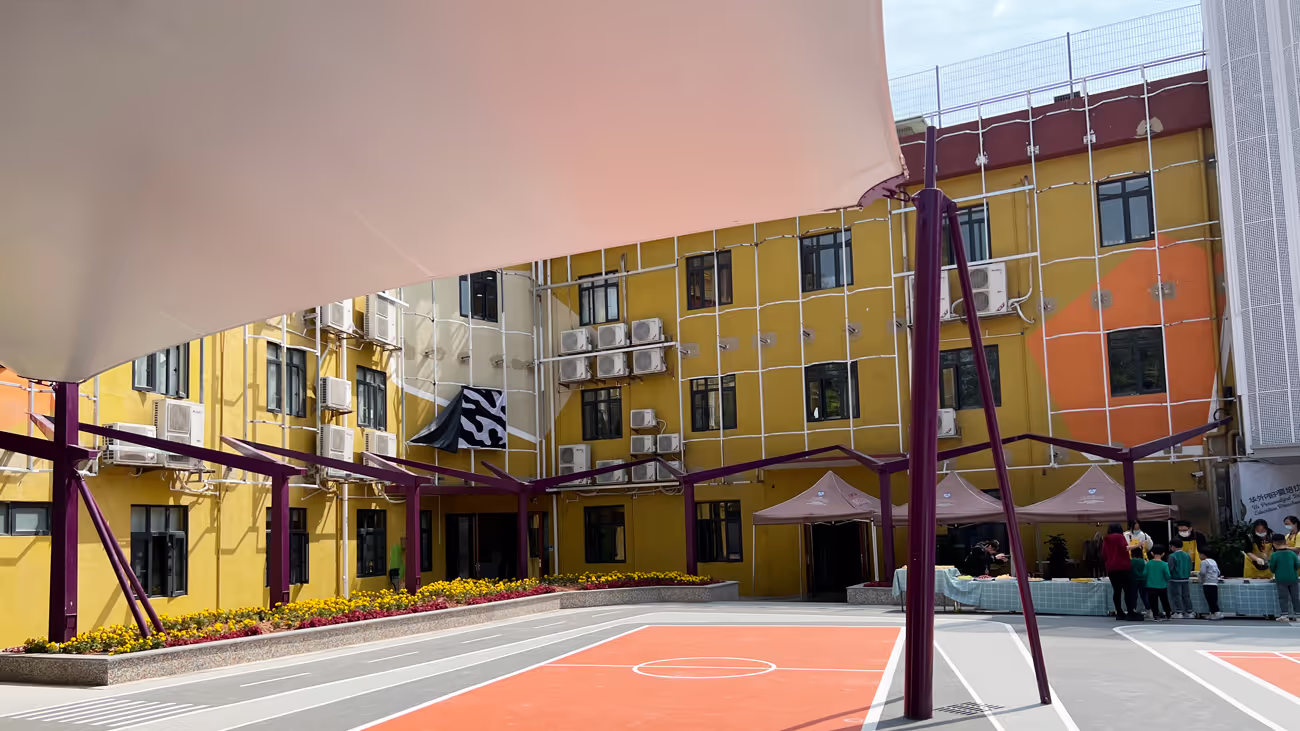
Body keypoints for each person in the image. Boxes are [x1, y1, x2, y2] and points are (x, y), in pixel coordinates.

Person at [1102, 523, 1141, 620]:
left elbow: (1103, 553)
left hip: (1111, 567)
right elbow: (1125, 548)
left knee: (1117, 591)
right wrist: (1137, 545)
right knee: (1128, 590)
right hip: (1123, 566)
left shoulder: (1106, 538)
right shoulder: (1120, 537)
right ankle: (1130, 612)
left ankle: (1119, 612)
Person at [1269, 535, 1300, 622]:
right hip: (1293, 578)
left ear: (1274, 544)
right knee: (1296, 597)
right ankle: (1298, 615)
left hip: (1281, 579)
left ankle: (1284, 615)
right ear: (1285, 542)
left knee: (1283, 597)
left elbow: (1272, 567)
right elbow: (1297, 565)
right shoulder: (1292, 554)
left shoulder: (1274, 555)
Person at [1167, 538, 1193, 619]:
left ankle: (1179, 611)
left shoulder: (1172, 556)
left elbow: (1170, 568)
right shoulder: (1187, 555)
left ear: (1173, 546)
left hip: (1175, 579)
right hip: (1185, 578)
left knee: (1177, 595)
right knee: (1186, 595)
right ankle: (1189, 612)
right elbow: (1190, 567)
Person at [1146, 545, 1172, 621]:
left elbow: (1144, 574)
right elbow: (1168, 575)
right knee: (1164, 600)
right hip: (1162, 586)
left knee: (1153, 601)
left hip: (1150, 585)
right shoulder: (1164, 564)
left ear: (1152, 553)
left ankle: (1156, 615)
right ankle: (1168, 614)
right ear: (1163, 554)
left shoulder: (1148, 564)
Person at [1199, 549, 1222, 620]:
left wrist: (1199, 576)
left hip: (1207, 582)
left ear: (1204, 555)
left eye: (1200, 554)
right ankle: (1213, 613)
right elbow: (1218, 572)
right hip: (1214, 583)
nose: (1199, 556)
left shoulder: (1204, 562)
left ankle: (1216, 612)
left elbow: (1202, 572)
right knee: (1213, 598)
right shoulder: (1213, 561)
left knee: (1209, 599)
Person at [1131, 547, 1151, 618]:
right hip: (1143, 580)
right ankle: (1149, 610)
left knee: (1133, 596)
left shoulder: (1131, 561)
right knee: (1144, 596)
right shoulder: (1144, 561)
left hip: (1133, 580)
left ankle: (1133, 610)